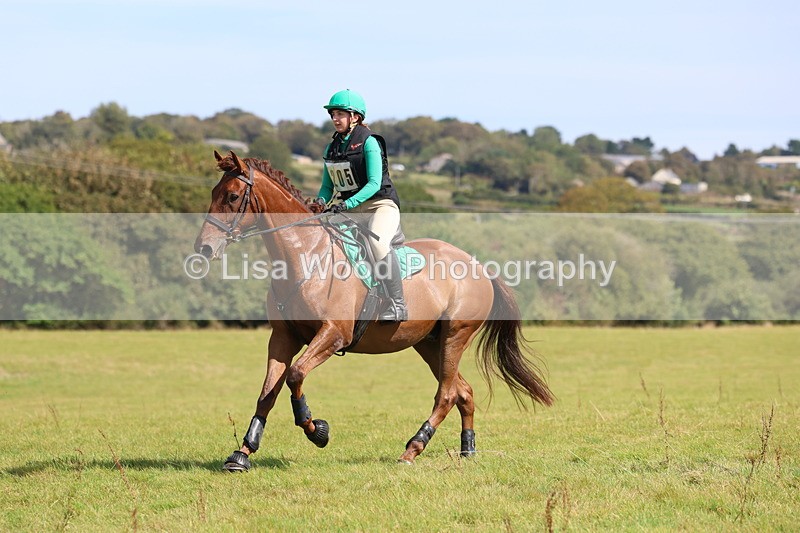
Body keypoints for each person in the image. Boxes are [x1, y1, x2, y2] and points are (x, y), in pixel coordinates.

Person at [317, 89, 407, 322]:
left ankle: (398, 305)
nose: (335, 118)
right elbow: (328, 188)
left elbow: (374, 183)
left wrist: (347, 203)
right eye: (333, 114)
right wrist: (319, 203)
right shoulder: (332, 148)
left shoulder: (370, 142)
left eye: (340, 114)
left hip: (380, 206)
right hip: (350, 210)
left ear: (355, 117)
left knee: (378, 246)